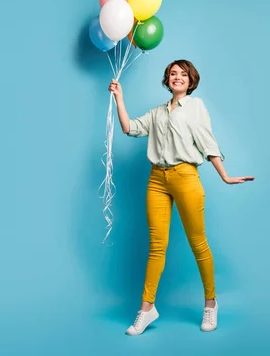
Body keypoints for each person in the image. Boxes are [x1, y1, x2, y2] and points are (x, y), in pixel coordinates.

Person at [108, 59, 254, 335]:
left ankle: (211, 304)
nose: (177, 77)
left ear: (190, 80)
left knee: (198, 243)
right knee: (156, 247)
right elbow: (129, 128)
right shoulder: (157, 112)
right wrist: (119, 97)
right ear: (167, 80)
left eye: (183, 74)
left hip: (186, 176)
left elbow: (207, 140)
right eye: (173, 73)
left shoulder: (196, 106)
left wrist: (224, 174)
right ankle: (146, 309)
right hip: (156, 180)